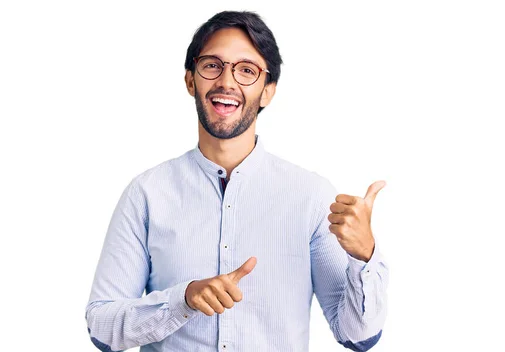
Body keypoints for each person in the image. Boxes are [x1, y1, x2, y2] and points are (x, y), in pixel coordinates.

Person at [86, 10, 389, 352]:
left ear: (268, 91)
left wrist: (364, 255)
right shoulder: (147, 194)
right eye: (212, 65)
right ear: (190, 80)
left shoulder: (310, 196)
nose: (227, 82)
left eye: (246, 70)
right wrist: (182, 300)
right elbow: (102, 327)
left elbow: (356, 335)